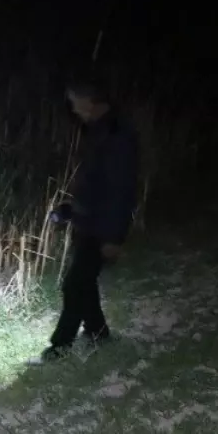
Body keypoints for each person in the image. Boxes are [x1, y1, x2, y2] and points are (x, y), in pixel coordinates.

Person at [35, 80, 140, 363]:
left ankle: (59, 347)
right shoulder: (97, 130)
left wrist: (114, 237)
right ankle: (97, 331)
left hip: (102, 226)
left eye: (76, 102)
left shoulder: (118, 135)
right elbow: (93, 181)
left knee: (74, 284)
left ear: (92, 101)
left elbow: (121, 191)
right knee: (84, 281)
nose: (73, 109)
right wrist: (71, 209)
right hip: (88, 221)